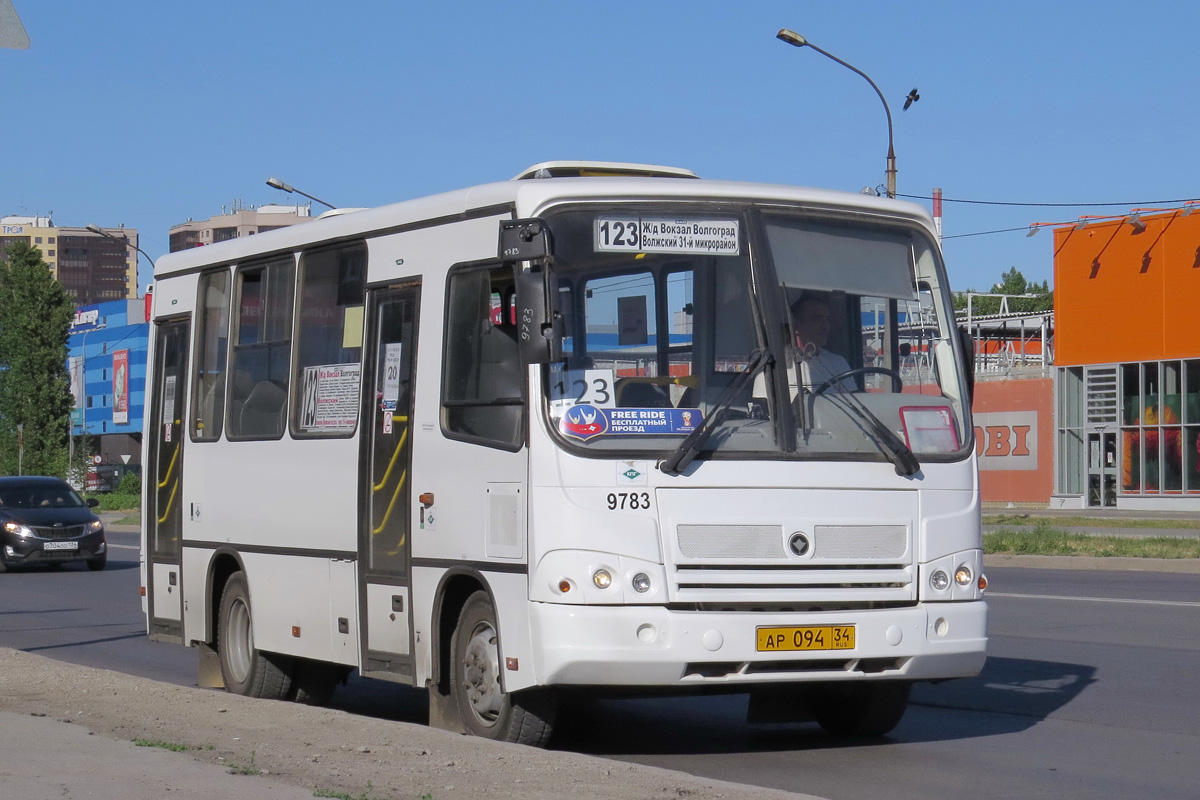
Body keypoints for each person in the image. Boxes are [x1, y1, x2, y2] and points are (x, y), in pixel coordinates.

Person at [791, 293, 853, 391]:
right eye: (816, 319)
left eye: (827, 320)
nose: (825, 326)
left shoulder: (838, 363)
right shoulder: (778, 368)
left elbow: (853, 400)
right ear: (796, 325)